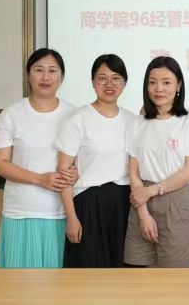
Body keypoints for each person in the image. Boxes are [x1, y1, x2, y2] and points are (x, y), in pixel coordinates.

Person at [0, 48, 78, 268]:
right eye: (39, 70)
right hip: (20, 211)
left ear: (62, 76)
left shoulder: (75, 115)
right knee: (18, 284)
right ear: (28, 75)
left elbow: (81, 162)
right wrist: (40, 179)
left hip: (59, 212)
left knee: (58, 284)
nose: (45, 77)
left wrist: (76, 173)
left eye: (52, 71)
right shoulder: (11, 114)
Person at [124, 56, 189, 267]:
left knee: (176, 276)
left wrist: (151, 191)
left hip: (177, 199)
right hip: (141, 201)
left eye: (166, 82)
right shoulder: (137, 122)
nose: (158, 88)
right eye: (152, 82)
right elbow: (133, 172)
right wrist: (143, 212)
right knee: (140, 271)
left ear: (178, 85)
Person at [56, 54, 135, 267]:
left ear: (124, 83)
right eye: (102, 78)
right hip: (88, 205)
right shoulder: (78, 120)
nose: (109, 84)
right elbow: (63, 173)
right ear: (92, 82)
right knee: (89, 272)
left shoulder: (133, 120)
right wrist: (71, 218)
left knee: (123, 271)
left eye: (116, 78)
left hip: (124, 204)